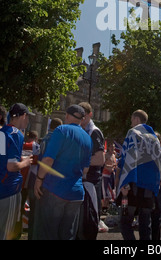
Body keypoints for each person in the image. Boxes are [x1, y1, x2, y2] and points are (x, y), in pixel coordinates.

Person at [33, 105, 92, 240]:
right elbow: (85, 169)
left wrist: (39, 179)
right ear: (82, 119)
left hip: (55, 189)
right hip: (76, 193)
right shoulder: (87, 138)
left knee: (49, 233)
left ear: (67, 115)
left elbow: (48, 160)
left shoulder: (61, 130)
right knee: (68, 235)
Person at [116, 109, 161, 240]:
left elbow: (127, 157)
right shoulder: (154, 138)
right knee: (145, 224)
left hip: (133, 184)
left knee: (125, 221)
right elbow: (160, 161)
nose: (131, 123)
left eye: (132, 120)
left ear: (137, 120)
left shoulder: (133, 133)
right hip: (149, 187)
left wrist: (123, 181)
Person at [0, 103, 33, 240]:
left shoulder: (2, 133)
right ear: (23, 116)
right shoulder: (16, 134)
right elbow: (11, 166)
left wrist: (19, 158)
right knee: (6, 232)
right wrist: (26, 162)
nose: (28, 121)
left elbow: (3, 157)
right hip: (9, 189)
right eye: (28, 117)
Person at [79, 101, 106, 232]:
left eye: (84, 116)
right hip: (82, 181)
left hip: (91, 182)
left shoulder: (94, 132)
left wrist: (78, 161)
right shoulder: (81, 130)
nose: (82, 119)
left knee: (89, 221)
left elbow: (100, 159)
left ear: (90, 115)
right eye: (79, 116)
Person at [102, 140, 117, 211]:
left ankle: (107, 207)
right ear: (108, 147)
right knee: (105, 192)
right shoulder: (106, 155)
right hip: (105, 175)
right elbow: (103, 164)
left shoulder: (114, 155)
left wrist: (113, 167)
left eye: (113, 147)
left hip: (111, 175)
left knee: (111, 192)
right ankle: (103, 207)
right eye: (111, 147)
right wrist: (109, 167)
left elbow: (115, 164)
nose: (112, 148)